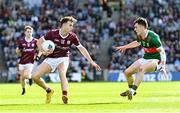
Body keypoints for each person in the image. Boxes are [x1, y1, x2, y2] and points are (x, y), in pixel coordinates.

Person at [32, 16, 101, 104]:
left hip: (63, 58)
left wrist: (91, 61)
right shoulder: (52, 33)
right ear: (63, 25)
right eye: (70, 25)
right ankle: (49, 90)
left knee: (62, 72)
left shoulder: (72, 36)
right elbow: (39, 41)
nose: (72, 27)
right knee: (35, 77)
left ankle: (65, 94)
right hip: (51, 58)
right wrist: (42, 51)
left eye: (72, 25)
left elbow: (82, 48)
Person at [115, 17, 167, 100]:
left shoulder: (153, 37)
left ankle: (132, 91)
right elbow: (137, 42)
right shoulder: (139, 35)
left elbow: (162, 52)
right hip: (146, 57)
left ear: (142, 27)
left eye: (136, 27)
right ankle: (131, 91)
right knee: (127, 72)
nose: (135, 29)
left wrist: (163, 66)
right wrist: (125, 47)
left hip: (156, 60)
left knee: (142, 69)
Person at [16, 25, 41, 95]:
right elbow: (18, 51)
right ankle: (23, 89)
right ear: (25, 33)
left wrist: (38, 56)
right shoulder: (21, 41)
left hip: (30, 62)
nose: (29, 33)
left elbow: (40, 50)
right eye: (28, 32)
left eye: (30, 32)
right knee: (22, 77)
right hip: (22, 62)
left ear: (32, 32)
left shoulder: (35, 41)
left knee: (26, 75)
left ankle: (30, 78)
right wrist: (17, 51)